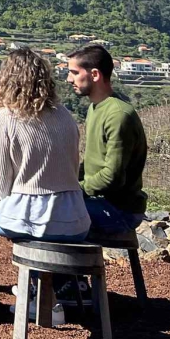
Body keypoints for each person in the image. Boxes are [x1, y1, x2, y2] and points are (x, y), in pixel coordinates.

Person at [0, 49, 89, 324]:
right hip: (75, 219)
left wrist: (14, 203)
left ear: (6, 80)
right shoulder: (65, 116)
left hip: (34, 215)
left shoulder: (4, 117)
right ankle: (47, 301)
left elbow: (2, 183)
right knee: (36, 226)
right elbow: (72, 166)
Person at [68, 43, 148, 233]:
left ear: (94, 75)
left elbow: (112, 177)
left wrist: (75, 191)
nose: (69, 79)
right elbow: (92, 163)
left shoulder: (118, 115)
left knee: (52, 216)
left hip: (119, 210)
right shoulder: (95, 108)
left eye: (74, 72)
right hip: (99, 202)